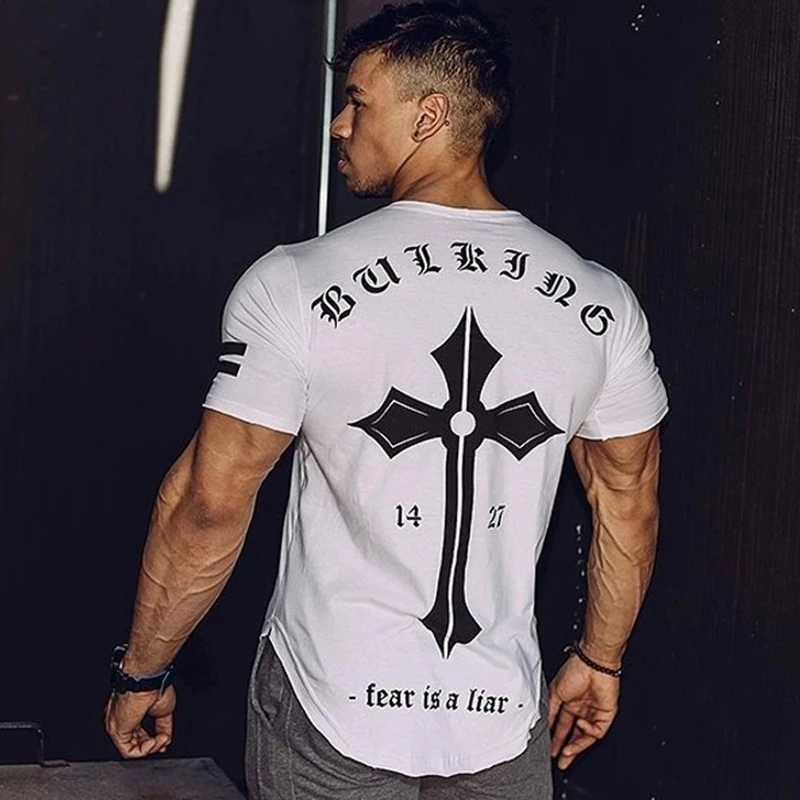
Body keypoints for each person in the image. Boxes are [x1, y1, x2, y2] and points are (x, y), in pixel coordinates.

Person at [105, 3, 667, 798]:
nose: (340, 125)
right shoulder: (601, 303)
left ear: (427, 116)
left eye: (358, 102)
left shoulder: (295, 285)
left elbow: (208, 504)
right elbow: (627, 500)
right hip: (500, 723)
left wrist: (143, 670)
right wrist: (600, 660)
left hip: (329, 715)